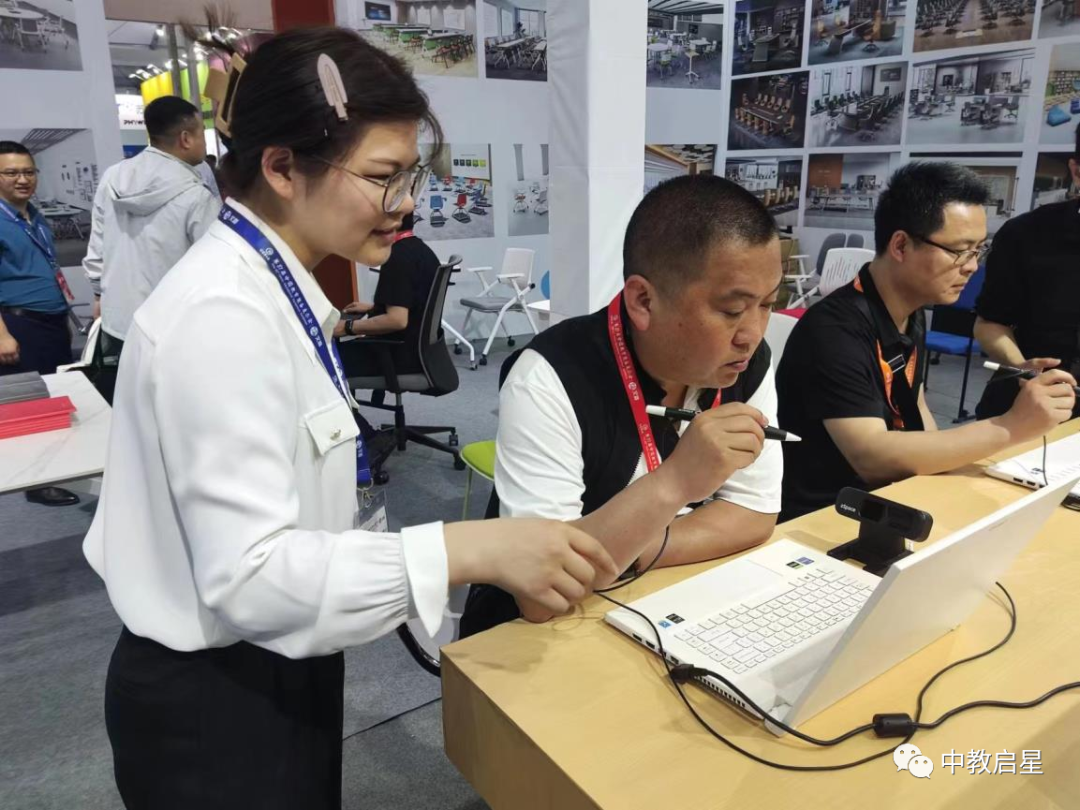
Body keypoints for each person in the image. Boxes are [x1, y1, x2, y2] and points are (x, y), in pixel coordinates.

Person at [82, 28, 616, 810]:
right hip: (216, 696)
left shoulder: (275, 288)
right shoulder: (223, 314)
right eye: (382, 176)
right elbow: (250, 577)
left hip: (278, 664)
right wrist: (469, 548)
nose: (406, 204)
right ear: (281, 168)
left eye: (409, 176)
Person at [463, 176, 784, 633]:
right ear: (643, 300)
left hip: (663, 604)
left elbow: (754, 515)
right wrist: (676, 482)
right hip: (532, 637)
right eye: (732, 310)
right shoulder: (549, 377)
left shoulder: (744, 364)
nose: (752, 334)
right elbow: (542, 595)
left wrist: (623, 548)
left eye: (768, 305)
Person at [777, 162, 1077, 522]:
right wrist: (1012, 426)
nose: (972, 266)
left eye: (978, 250)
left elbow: (915, 408)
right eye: (960, 250)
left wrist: (944, 471)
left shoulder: (908, 312)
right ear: (901, 245)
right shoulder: (833, 329)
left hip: (891, 500)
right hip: (823, 517)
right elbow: (872, 456)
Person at [82, 95, 220, 402]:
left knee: (130, 408)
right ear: (186, 138)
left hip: (118, 322)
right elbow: (215, 267)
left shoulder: (113, 177)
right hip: (173, 329)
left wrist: (99, 294)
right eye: (201, 132)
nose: (203, 141)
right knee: (177, 409)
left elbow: (97, 245)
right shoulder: (197, 197)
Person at [974, 122, 1080, 420]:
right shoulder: (1026, 234)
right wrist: (1023, 367)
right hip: (1027, 404)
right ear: (1076, 170)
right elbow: (989, 323)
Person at [0, 140, 80, 507]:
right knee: (31, 403)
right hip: (18, 324)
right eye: (11, 173)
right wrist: (2, 335)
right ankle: (37, 482)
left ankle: (53, 471)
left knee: (52, 395)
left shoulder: (34, 215)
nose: (23, 179)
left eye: (29, 172)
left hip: (50, 321)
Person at [335, 211, 438, 377]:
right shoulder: (420, 250)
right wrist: (375, 308)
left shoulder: (397, 257)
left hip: (398, 356)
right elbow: (414, 304)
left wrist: (347, 327)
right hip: (419, 352)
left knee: (326, 359)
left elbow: (397, 320)